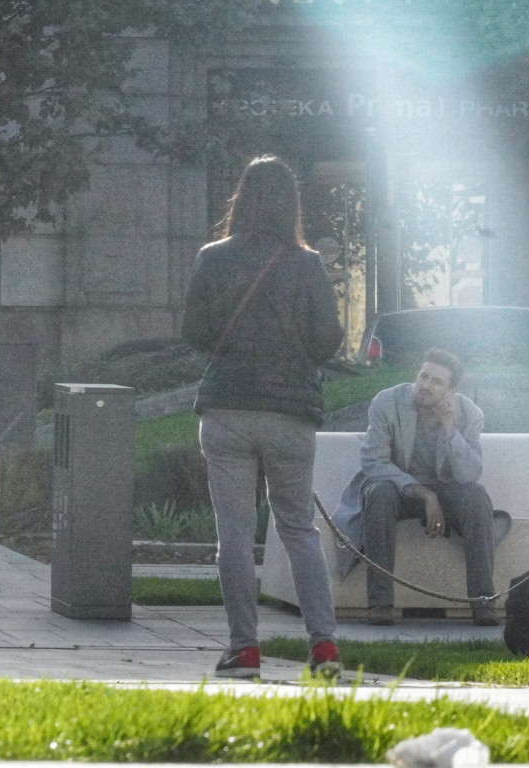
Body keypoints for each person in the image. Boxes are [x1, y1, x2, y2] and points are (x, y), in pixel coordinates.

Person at [182, 155, 344, 679]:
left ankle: (243, 649)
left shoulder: (213, 257)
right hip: (290, 412)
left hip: (228, 408)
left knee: (233, 535)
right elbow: (327, 340)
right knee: (298, 529)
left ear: (242, 195)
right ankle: (323, 650)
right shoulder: (308, 264)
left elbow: (196, 334)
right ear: (291, 202)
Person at [332, 348, 501, 626]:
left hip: (448, 489)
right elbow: (374, 462)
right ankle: (380, 605)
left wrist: (450, 428)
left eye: (437, 382)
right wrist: (424, 494)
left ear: (451, 390)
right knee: (378, 493)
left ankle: (483, 603)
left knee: (477, 498)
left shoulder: (470, 414)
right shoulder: (387, 402)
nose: (426, 385)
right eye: (424, 376)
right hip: (398, 487)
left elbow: (470, 474)